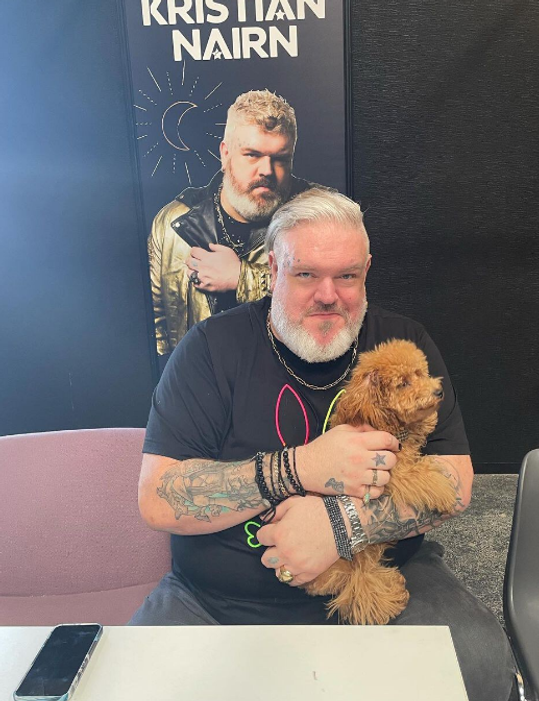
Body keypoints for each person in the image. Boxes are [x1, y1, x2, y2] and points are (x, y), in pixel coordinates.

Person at [133, 188, 515, 700]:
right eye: (306, 274)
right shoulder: (208, 351)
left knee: (484, 666)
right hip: (219, 601)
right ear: (273, 268)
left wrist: (340, 526)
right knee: (133, 681)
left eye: (347, 276)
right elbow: (158, 498)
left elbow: (455, 480)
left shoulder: (406, 342)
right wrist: (299, 468)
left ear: (367, 270)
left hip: (387, 580)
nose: (328, 295)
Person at [148, 89, 322, 364]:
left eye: (280, 159)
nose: (266, 170)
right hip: (200, 389)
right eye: (252, 155)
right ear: (225, 154)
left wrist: (242, 279)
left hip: (284, 391)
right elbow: (160, 327)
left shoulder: (321, 216)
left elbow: (332, 304)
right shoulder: (172, 222)